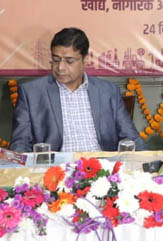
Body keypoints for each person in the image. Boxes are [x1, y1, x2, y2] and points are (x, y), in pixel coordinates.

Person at [11, 27, 144, 152]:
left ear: (85, 59)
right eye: (56, 60)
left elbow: (131, 138)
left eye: (69, 61)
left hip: (102, 164)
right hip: (54, 165)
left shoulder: (108, 91)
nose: (60, 67)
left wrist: (149, 162)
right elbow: (21, 143)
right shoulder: (31, 93)